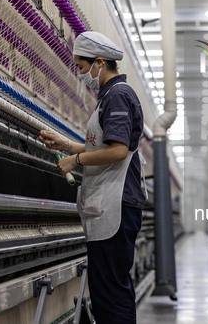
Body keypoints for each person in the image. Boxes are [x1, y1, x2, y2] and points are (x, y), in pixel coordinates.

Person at [38, 31, 145, 324]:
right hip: (110, 206)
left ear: (99, 63)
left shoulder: (119, 96)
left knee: (111, 292)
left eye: (82, 67)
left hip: (117, 205)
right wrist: (66, 145)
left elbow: (118, 151)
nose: (81, 74)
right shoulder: (110, 96)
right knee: (107, 290)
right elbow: (105, 145)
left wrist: (76, 160)